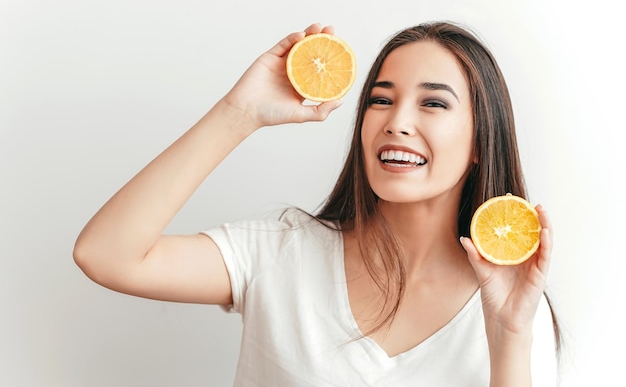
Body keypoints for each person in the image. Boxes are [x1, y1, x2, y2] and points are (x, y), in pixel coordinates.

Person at [74, 22, 560, 386]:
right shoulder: (282, 252)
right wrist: (238, 114)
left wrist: (509, 336)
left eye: (433, 103)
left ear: (480, 140)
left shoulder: (513, 307)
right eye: (379, 99)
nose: (396, 122)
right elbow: (105, 255)